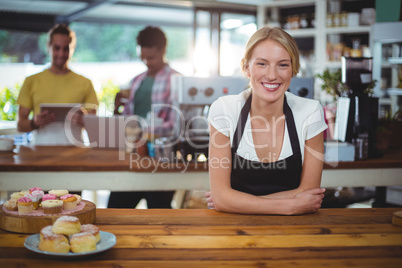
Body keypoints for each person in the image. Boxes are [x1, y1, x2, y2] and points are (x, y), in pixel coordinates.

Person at [205, 26, 328, 215]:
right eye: (262, 64)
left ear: (293, 69)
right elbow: (222, 198)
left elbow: (309, 192)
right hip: (234, 231)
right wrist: (290, 205)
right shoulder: (224, 110)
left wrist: (233, 200)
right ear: (246, 68)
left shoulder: (311, 112)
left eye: (283, 65)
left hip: (295, 231)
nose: (272, 75)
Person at [108, 26, 179, 209]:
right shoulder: (136, 81)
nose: (147, 62)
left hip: (160, 162)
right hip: (132, 159)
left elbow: (176, 126)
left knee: (159, 216)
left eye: (151, 58)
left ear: (163, 51)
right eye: (143, 58)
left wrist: (140, 131)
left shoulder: (177, 81)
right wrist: (117, 111)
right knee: (115, 209)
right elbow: (126, 119)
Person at [16, 24, 98, 145]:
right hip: (40, 150)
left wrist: (84, 120)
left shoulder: (85, 83)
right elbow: (20, 125)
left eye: (66, 49)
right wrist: (34, 122)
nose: (61, 53)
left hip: (76, 153)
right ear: (48, 47)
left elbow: (95, 128)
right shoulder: (31, 81)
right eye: (57, 48)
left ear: (73, 48)